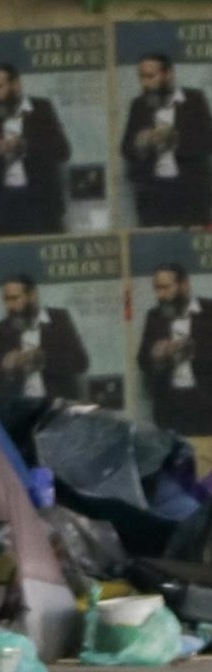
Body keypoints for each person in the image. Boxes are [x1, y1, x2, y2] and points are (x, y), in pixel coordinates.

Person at [0, 62, 71, 237]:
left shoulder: (40, 109)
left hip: (41, 205)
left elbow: (62, 150)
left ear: (15, 85)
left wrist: (22, 145)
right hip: (4, 208)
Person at [121, 52, 212, 228]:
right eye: (141, 77)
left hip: (190, 193)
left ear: (168, 74)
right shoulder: (139, 105)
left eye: (150, 77)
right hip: (153, 196)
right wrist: (142, 142)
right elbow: (126, 149)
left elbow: (207, 142)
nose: (145, 83)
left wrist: (173, 137)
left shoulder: (193, 100)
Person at [0, 274, 91, 404]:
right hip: (21, 408)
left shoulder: (58, 320)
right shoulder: (4, 328)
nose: (9, 306)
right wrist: (8, 365)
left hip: (56, 406)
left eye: (14, 299)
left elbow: (81, 362)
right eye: (6, 300)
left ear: (32, 296)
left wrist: (39, 358)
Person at [137, 263, 212, 434]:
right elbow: (142, 361)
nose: (160, 294)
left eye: (165, 287)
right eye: (157, 288)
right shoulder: (154, 316)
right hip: (170, 407)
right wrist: (156, 356)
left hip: (206, 403)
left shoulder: (209, 312)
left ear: (184, 285)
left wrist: (191, 349)